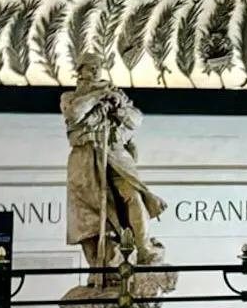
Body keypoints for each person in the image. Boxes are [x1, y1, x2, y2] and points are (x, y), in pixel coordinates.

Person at [60, 53, 168, 289]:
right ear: (80, 70)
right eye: (90, 67)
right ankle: (102, 267)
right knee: (90, 215)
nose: (96, 71)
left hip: (115, 151)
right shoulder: (70, 96)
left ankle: (144, 250)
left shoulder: (116, 92)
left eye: (98, 66)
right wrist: (99, 95)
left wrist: (118, 107)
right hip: (86, 154)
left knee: (133, 194)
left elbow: (136, 120)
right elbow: (74, 114)